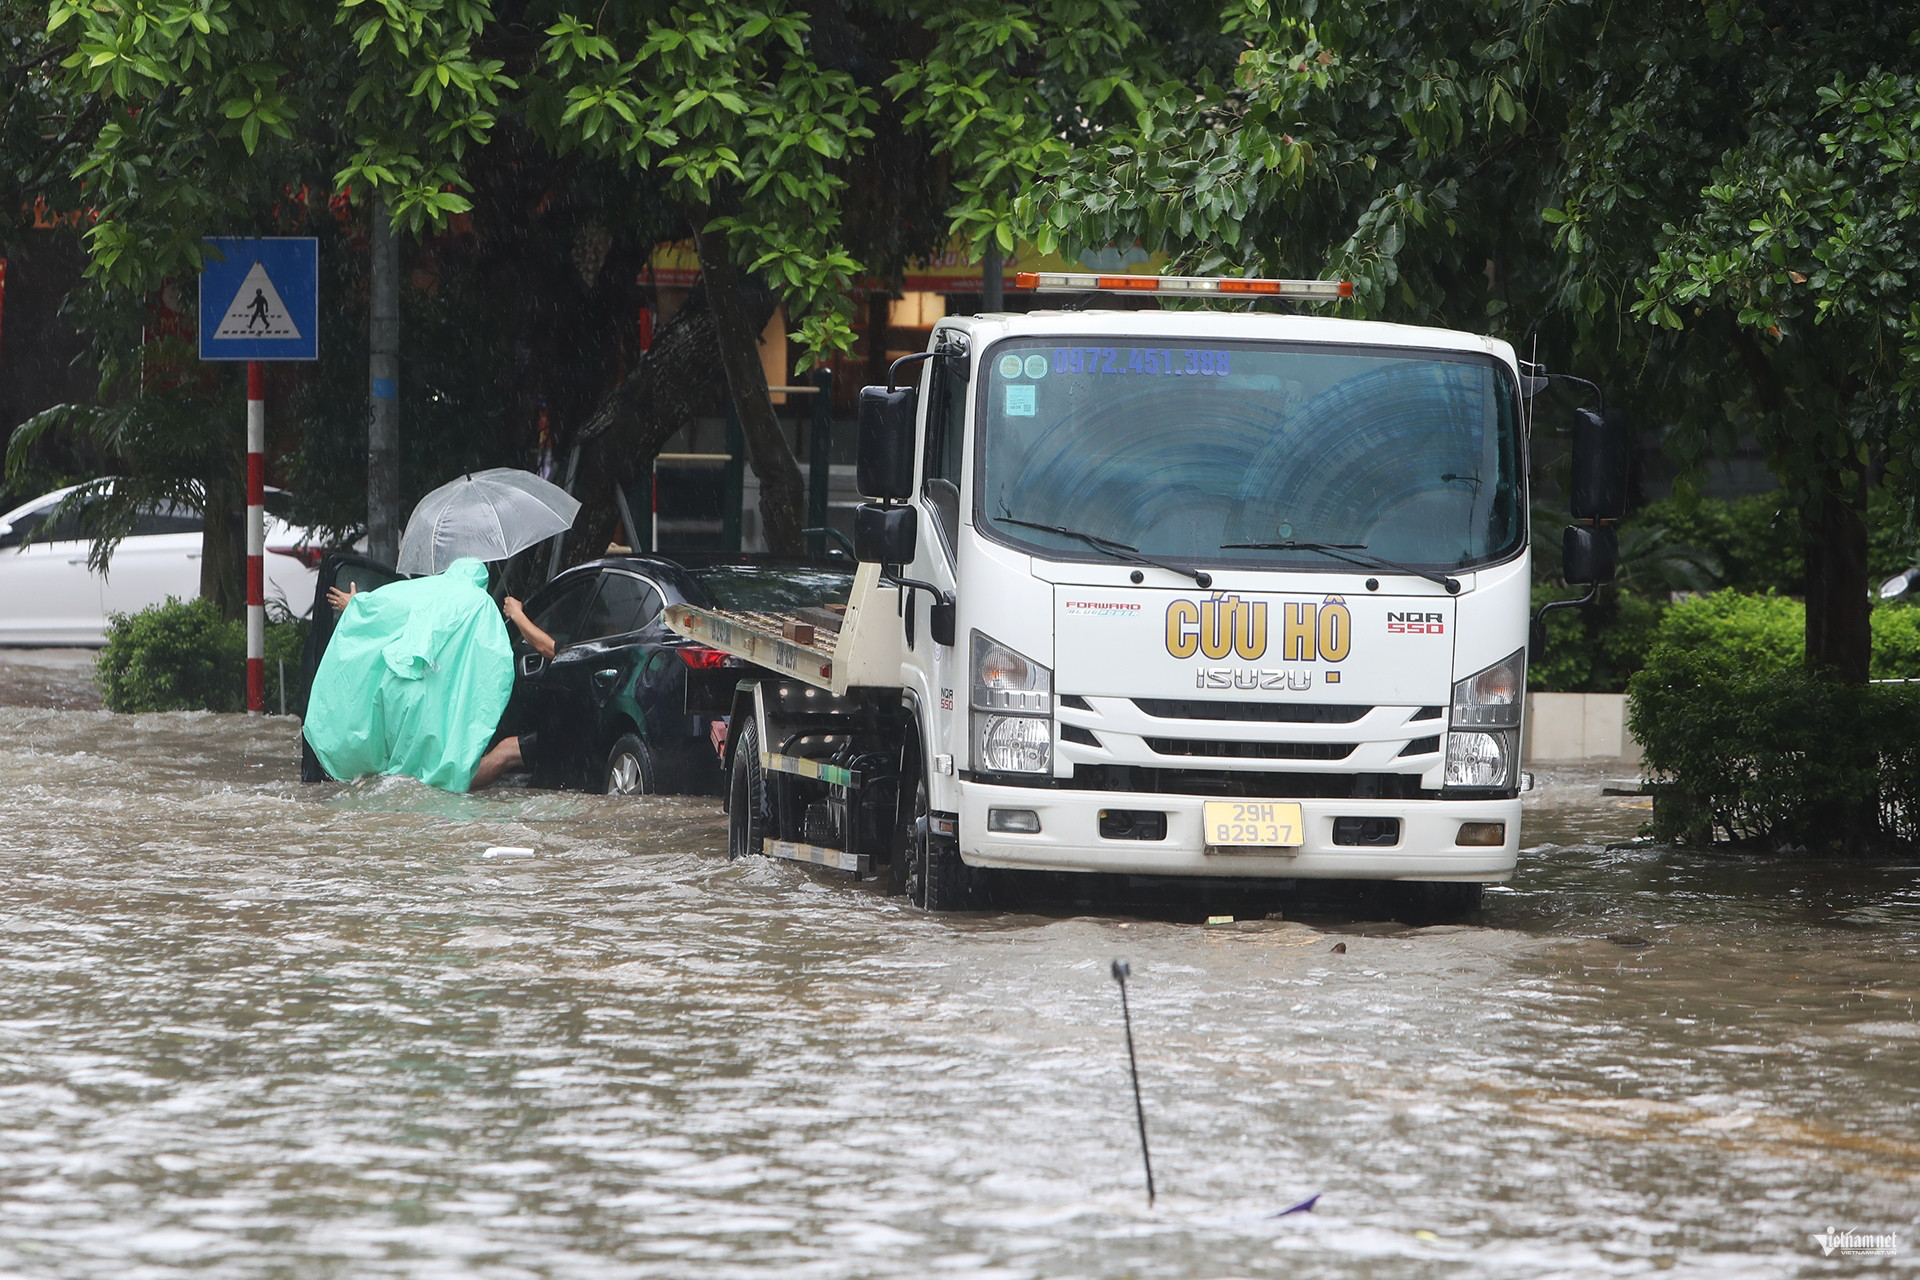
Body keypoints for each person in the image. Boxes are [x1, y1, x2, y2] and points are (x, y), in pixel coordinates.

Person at [468, 595, 556, 789]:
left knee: (505, 753)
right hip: (581, 726)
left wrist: (516, 614)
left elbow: (549, 649)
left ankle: (452, 787)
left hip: (573, 732)